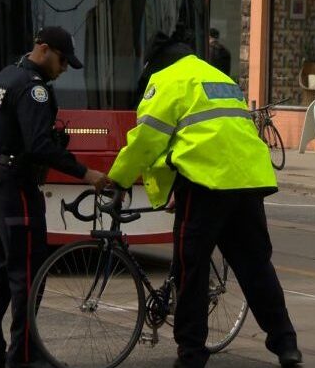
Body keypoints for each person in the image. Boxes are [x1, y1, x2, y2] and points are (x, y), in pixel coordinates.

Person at [108, 32, 302, 368]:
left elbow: (147, 141)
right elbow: (205, 136)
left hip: (206, 187)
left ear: (154, 64)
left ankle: (191, 354)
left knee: (190, 270)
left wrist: (118, 179)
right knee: (256, 266)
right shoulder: (218, 76)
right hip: (248, 181)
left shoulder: (166, 80)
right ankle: (286, 344)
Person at [0, 26, 108, 368]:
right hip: (17, 184)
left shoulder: (5, 75)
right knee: (28, 276)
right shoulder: (35, 90)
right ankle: (26, 358)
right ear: (44, 50)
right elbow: (39, 146)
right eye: (62, 61)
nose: (64, 68)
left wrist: (6, 142)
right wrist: (85, 173)